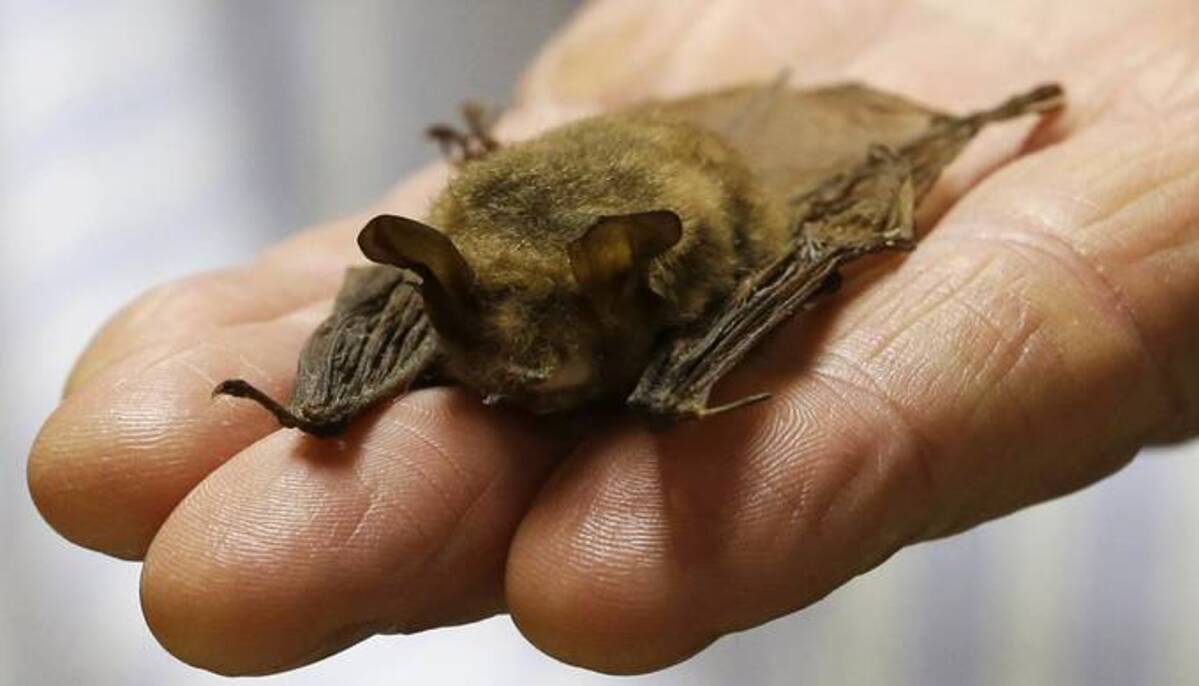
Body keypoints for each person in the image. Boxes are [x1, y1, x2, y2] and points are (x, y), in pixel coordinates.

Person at [26, 0, 1199, 676]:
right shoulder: (448, 274)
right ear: (430, 291)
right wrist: (325, 404)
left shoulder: (680, 267)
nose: (519, 374)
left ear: (621, 288)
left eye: (543, 350)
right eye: (486, 340)